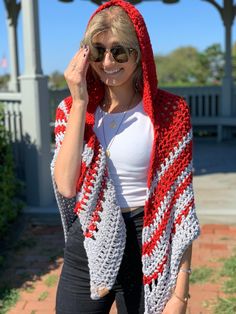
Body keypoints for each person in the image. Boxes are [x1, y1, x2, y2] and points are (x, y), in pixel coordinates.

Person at [51, 0, 201, 313]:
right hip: (89, 242)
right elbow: (66, 186)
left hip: (146, 243)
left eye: (119, 51)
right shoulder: (71, 111)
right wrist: (80, 102)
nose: (108, 62)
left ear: (139, 52)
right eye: (97, 51)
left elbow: (180, 208)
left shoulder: (170, 113)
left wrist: (179, 294)